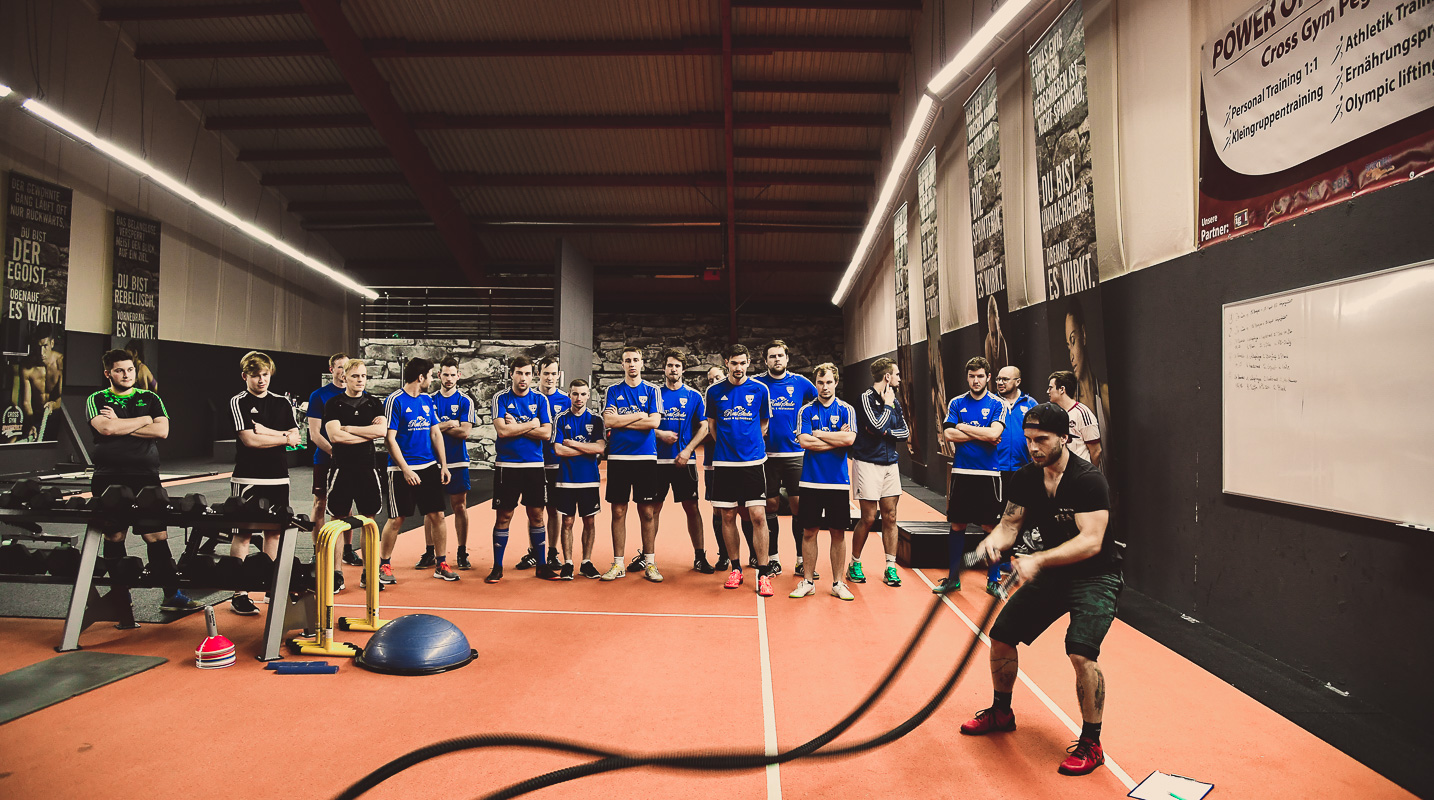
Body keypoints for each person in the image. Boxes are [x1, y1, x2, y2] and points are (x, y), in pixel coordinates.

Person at [960, 403, 1123, 778]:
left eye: (1042, 440)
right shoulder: (1026, 478)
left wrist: (1039, 560)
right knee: (1001, 636)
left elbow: (1092, 542)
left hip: (1096, 576)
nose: (1033, 448)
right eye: (1029, 440)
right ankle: (1002, 712)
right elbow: (1009, 526)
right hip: (1053, 574)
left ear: (1064, 438)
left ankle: (1092, 743)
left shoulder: (1087, 480)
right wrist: (992, 543)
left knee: (1081, 654)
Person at [86, 349, 199, 611]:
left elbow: (162, 430)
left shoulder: (150, 397)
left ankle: (172, 595)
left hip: (145, 477)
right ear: (108, 373)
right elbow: (106, 428)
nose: (126, 375)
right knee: (114, 536)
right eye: (119, 370)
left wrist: (124, 424)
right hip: (108, 478)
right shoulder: (97, 398)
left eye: (130, 370)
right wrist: (143, 421)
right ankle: (120, 597)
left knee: (157, 535)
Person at [227, 351, 299, 615]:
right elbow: (250, 440)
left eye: (265, 375)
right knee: (243, 533)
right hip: (248, 476)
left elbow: (296, 437)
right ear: (245, 376)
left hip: (278, 476)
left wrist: (269, 432)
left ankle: (269, 584)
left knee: (275, 531)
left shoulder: (282, 402)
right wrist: (283, 437)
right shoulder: (239, 402)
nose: (261, 380)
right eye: (256, 375)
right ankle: (240, 591)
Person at [378, 358, 455, 584]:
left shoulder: (426, 400)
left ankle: (441, 563)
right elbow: (389, 440)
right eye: (431, 376)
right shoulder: (395, 401)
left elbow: (435, 433)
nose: (432, 380)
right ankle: (384, 565)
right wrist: (406, 470)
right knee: (397, 518)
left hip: (429, 466)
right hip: (402, 469)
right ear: (420, 377)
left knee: (438, 515)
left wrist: (443, 465)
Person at [706, 344, 775, 597]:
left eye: (742, 363)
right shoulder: (714, 391)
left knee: (757, 515)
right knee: (727, 516)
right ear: (727, 363)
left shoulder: (760, 389)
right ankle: (735, 569)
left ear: (749, 363)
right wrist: (727, 446)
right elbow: (712, 427)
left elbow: (764, 423)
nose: (738, 368)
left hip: (753, 462)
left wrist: (748, 443)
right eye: (734, 363)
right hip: (724, 463)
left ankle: (764, 572)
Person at [934, 356, 1007, 595]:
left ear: (988, 377)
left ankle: (993, 579)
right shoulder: (956, 403)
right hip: (962, 472)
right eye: (971, 376)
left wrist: (964, 427)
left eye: (980, 376)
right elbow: (948, 435)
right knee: (957, 524)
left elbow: (994, 434)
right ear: (967, 377)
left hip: (988, 474)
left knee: (990, 525)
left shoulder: (998, 404)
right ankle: (953, 577)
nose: (976, 381)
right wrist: (982, 433)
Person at [790, 363, 858, 601]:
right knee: (809, 531)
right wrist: (835, 439)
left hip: (837, 482)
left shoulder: (847, 409)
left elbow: (850, 439)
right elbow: (805, 443)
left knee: (838, 532)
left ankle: (838, 583)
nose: (825, 387)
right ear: (815, 383)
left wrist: (819, 434)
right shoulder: (806, 411)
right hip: (811, 481)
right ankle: (808, 581)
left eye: (829, 382)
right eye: (820, 382)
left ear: (836, 383)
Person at [489, 356, 558, 582]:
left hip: (534, 466)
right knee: (504, 516)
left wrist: (517, 426)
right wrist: (531, 424)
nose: (524, 378)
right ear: (512, 374)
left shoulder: (540, 400)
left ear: (533, 375)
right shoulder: (500, 398)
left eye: (528, 374)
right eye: (520, 373)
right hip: (507, 466)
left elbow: (547, 434)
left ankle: (541, 565)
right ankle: (497, 566)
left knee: (537, 515)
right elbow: (503, 432)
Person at [754, 340, 818, 578]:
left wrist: (806, 428)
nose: (777, 359)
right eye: (772, 356)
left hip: (795, 455)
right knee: (769, 506)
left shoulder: (800, 383)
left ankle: (801, 560)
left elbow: (818, 403)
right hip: (766, 457)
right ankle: (773, 559)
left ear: (787, 359)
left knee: (798, 507)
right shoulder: (757, 384)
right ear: (765, 360)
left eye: (780, 355)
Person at [320, 359, 386, 587]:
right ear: (344, 377)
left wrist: (350, 429)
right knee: (336, 521)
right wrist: (366, 433)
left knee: (369, 521)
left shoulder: (375, 404)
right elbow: (335, 437)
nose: (360, 380)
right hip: (342, 469)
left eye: (364, 376)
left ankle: (369, 574)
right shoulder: (333, 403)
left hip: (367, 469)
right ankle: (336, 574)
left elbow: (381, 431)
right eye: (355, 376)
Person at [602, 346, 664, 581]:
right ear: (622, 364)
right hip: (619, 458)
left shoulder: (652, 391)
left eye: (636, 360)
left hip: (645, 458)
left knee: (647, 512)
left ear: (642, 363)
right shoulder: (613, 390)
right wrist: (639, 415)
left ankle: (650, 563)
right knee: (618, 511)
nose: (632, 364)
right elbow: (608, 421)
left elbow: (654, 423)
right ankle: (618, 564)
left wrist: (622, 421)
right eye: (627, 360)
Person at [849, 358, 910, 588]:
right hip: (867, 462)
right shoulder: (866, 398)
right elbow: (874, 427)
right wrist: (885, 407)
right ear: (887, 377)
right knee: (868, 517)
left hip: (890, 464)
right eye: (896, 375)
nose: (899, 379)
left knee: (891, 516)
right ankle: (854, 563)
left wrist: (885, 431)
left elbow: (904, 431)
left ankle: (890, 567)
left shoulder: (895, 400)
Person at [654, 349, 713, 574]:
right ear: (664, 368)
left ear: (683, 370)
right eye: (669, 365)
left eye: (677, 366)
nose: (673, 369)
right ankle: (648, 556)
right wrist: (660, 434)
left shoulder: (694, 396)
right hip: (658, 461)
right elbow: (647, 424)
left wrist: (688, 450)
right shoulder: (654, 394)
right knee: (652, 509)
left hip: (684, 462)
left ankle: (700, 556)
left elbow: (705, 426)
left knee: (692, 508)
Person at [306, 353, 359, 568]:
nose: (343, 371)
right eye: (339, 367)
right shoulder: (319, 396)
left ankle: (347, 549)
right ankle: (319, 550)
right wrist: (334, 453)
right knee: (321, 503)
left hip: (351, 461)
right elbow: (315, 434)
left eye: (347, 367)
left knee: (346, 506)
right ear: (332, 370)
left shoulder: (358, 394)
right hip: (325, 458)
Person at [518, 356, 570, 571]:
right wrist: (535, 430)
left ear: (559, 375)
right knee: (534, 509)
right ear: (538, 374)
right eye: (546, 373)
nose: (550, 377)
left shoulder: (566, 400)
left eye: (553, 373)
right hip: (533, 463)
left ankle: (552, 552)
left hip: (557, 463)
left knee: (554, 509)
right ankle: (534, 551)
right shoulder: (529, 397)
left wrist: (530, 429)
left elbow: (562, 432)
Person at [989, 365, 1038, 593]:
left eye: (1005, 379)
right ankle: (998, 562)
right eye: (998, 379)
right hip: (995, 469)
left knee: (1018, 516)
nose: (1000, 383)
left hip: (1021, 469)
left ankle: (1012, 555)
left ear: (1017, 382)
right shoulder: (991, 403)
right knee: (996, 515)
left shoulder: (1030, 405)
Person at [552, 379, 605, 579]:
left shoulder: (596, 420)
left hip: (589, 479)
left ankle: (586, 562)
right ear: (569, 395)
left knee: (589, 521)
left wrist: (572, 444)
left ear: (588, 395)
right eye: (575, 394)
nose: (579, 398)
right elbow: (558, 449)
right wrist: (586, 450)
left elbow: (600, 448)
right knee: (567, 521)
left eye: (583, 394)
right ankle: (567, 563)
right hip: (566, 479)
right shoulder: (561, 419)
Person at [431, 358, 475, 570]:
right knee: (432, 509)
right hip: (433, 462)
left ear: (459, 376)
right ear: (439, 375)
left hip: (458, 461)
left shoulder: (465, 401)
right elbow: (426, 431)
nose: (449, 378)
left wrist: (438, 426)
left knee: (459, 506)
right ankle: (430, 551)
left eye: (452, 374)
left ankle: (461, 550)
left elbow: (465, 432)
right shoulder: (428, 400)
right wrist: (449, 423)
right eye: (445, 374)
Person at [701, 364, 740, 571]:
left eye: (717, 377)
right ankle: (723, 554)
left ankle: (751, 553)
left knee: (744, 509)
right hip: (713, 463)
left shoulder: (736, 396)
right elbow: (703, 431)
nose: (713, 381)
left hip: (739, 463)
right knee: (719, 510)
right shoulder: (709, 400)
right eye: (709, 379)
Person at [1063, 298, 1110, 463]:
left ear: (1083, 335)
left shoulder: (1104, 394)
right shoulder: (1069, 402)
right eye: (1068, 346)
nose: (1072, 356)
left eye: (1073, 341)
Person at [1047, 370, 1101, 468]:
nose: (1048, 391)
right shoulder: (1053, 413)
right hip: (1061, 472)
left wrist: (1090, 474)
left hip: (1080, 473)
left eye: (1051, 388)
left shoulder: (1082, 412)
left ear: (1062, 389)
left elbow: (1096, 451)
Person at [983, 295, 1010, 374]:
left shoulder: (1002, 342)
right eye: (992, 335)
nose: (995, 345)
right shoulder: (987, 342)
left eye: (996, 334)